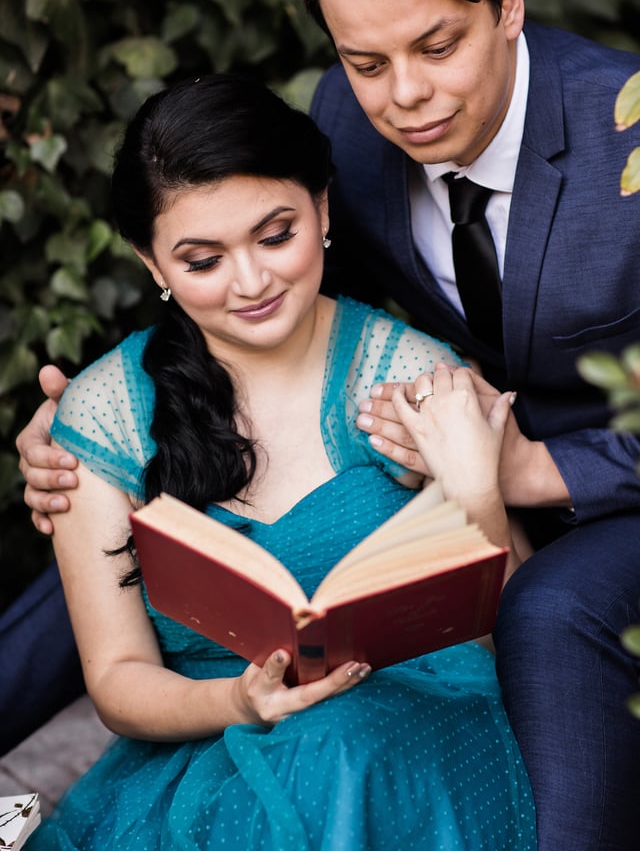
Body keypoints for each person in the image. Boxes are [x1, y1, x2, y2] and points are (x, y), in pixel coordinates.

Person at [12, 0, 640, 851]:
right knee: (110, 496)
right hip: (420, 444)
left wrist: (525, 469)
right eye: (364, 60)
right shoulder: (342, 123)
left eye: (435, 44)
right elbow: (254, 275)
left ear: (506, 4)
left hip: (619, 494)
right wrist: (103, 412)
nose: (403, 95)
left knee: (545, 605)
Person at [19, 72, 535, 850]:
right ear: (151, 263)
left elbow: (527, 641)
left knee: (341, 745)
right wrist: (241, 701)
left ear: (322, 210)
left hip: (419, 737)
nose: (253, 283)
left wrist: (474, 493)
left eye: (275, 235)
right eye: (202, 261)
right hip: (213, 735)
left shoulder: (413, 379)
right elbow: (119, 677)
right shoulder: (107, 414)